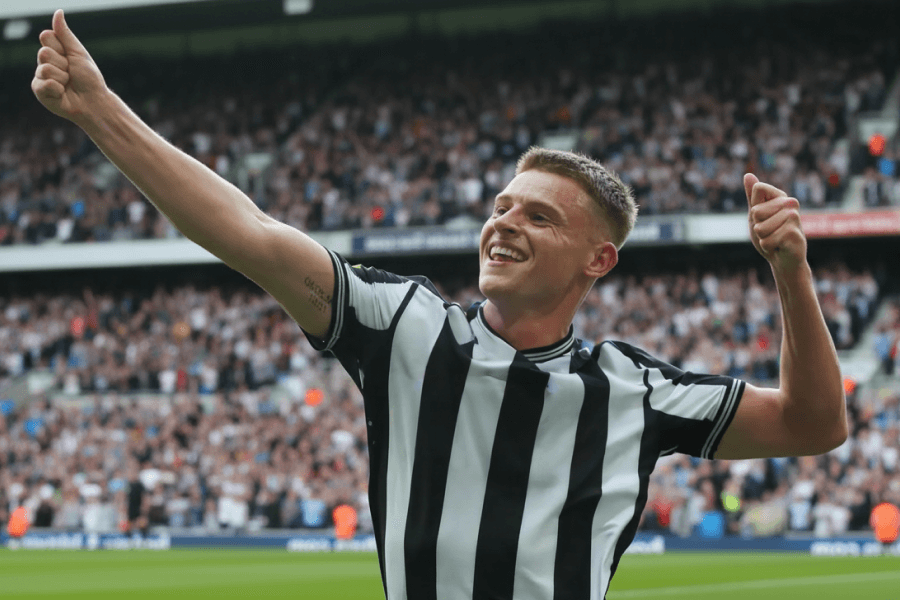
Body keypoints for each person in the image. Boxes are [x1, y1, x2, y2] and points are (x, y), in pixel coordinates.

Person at [32, 10, 848, 599]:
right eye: (500, 206)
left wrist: (790, 271)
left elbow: (815, 424)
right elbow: (246, 231)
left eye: (538, 215)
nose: (503, 224)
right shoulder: (403, 329)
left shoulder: (635, 389)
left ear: (599, 260)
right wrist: (98, 110)